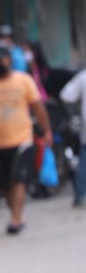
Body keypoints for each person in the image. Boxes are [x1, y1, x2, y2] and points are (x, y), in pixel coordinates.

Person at [0, 47, 54, 234]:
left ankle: (16, 218)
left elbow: (38, 108)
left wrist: (47, 131)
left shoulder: (24, 81)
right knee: (4, 184)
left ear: (9, 61)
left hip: (22, 139)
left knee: (18, 179)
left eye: (2, 61)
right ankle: (14, 213)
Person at [59, 67, 86, 207]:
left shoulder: (83, 76)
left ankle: (80, 196)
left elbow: (65, 95)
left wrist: (77, 105)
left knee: (84, 162)